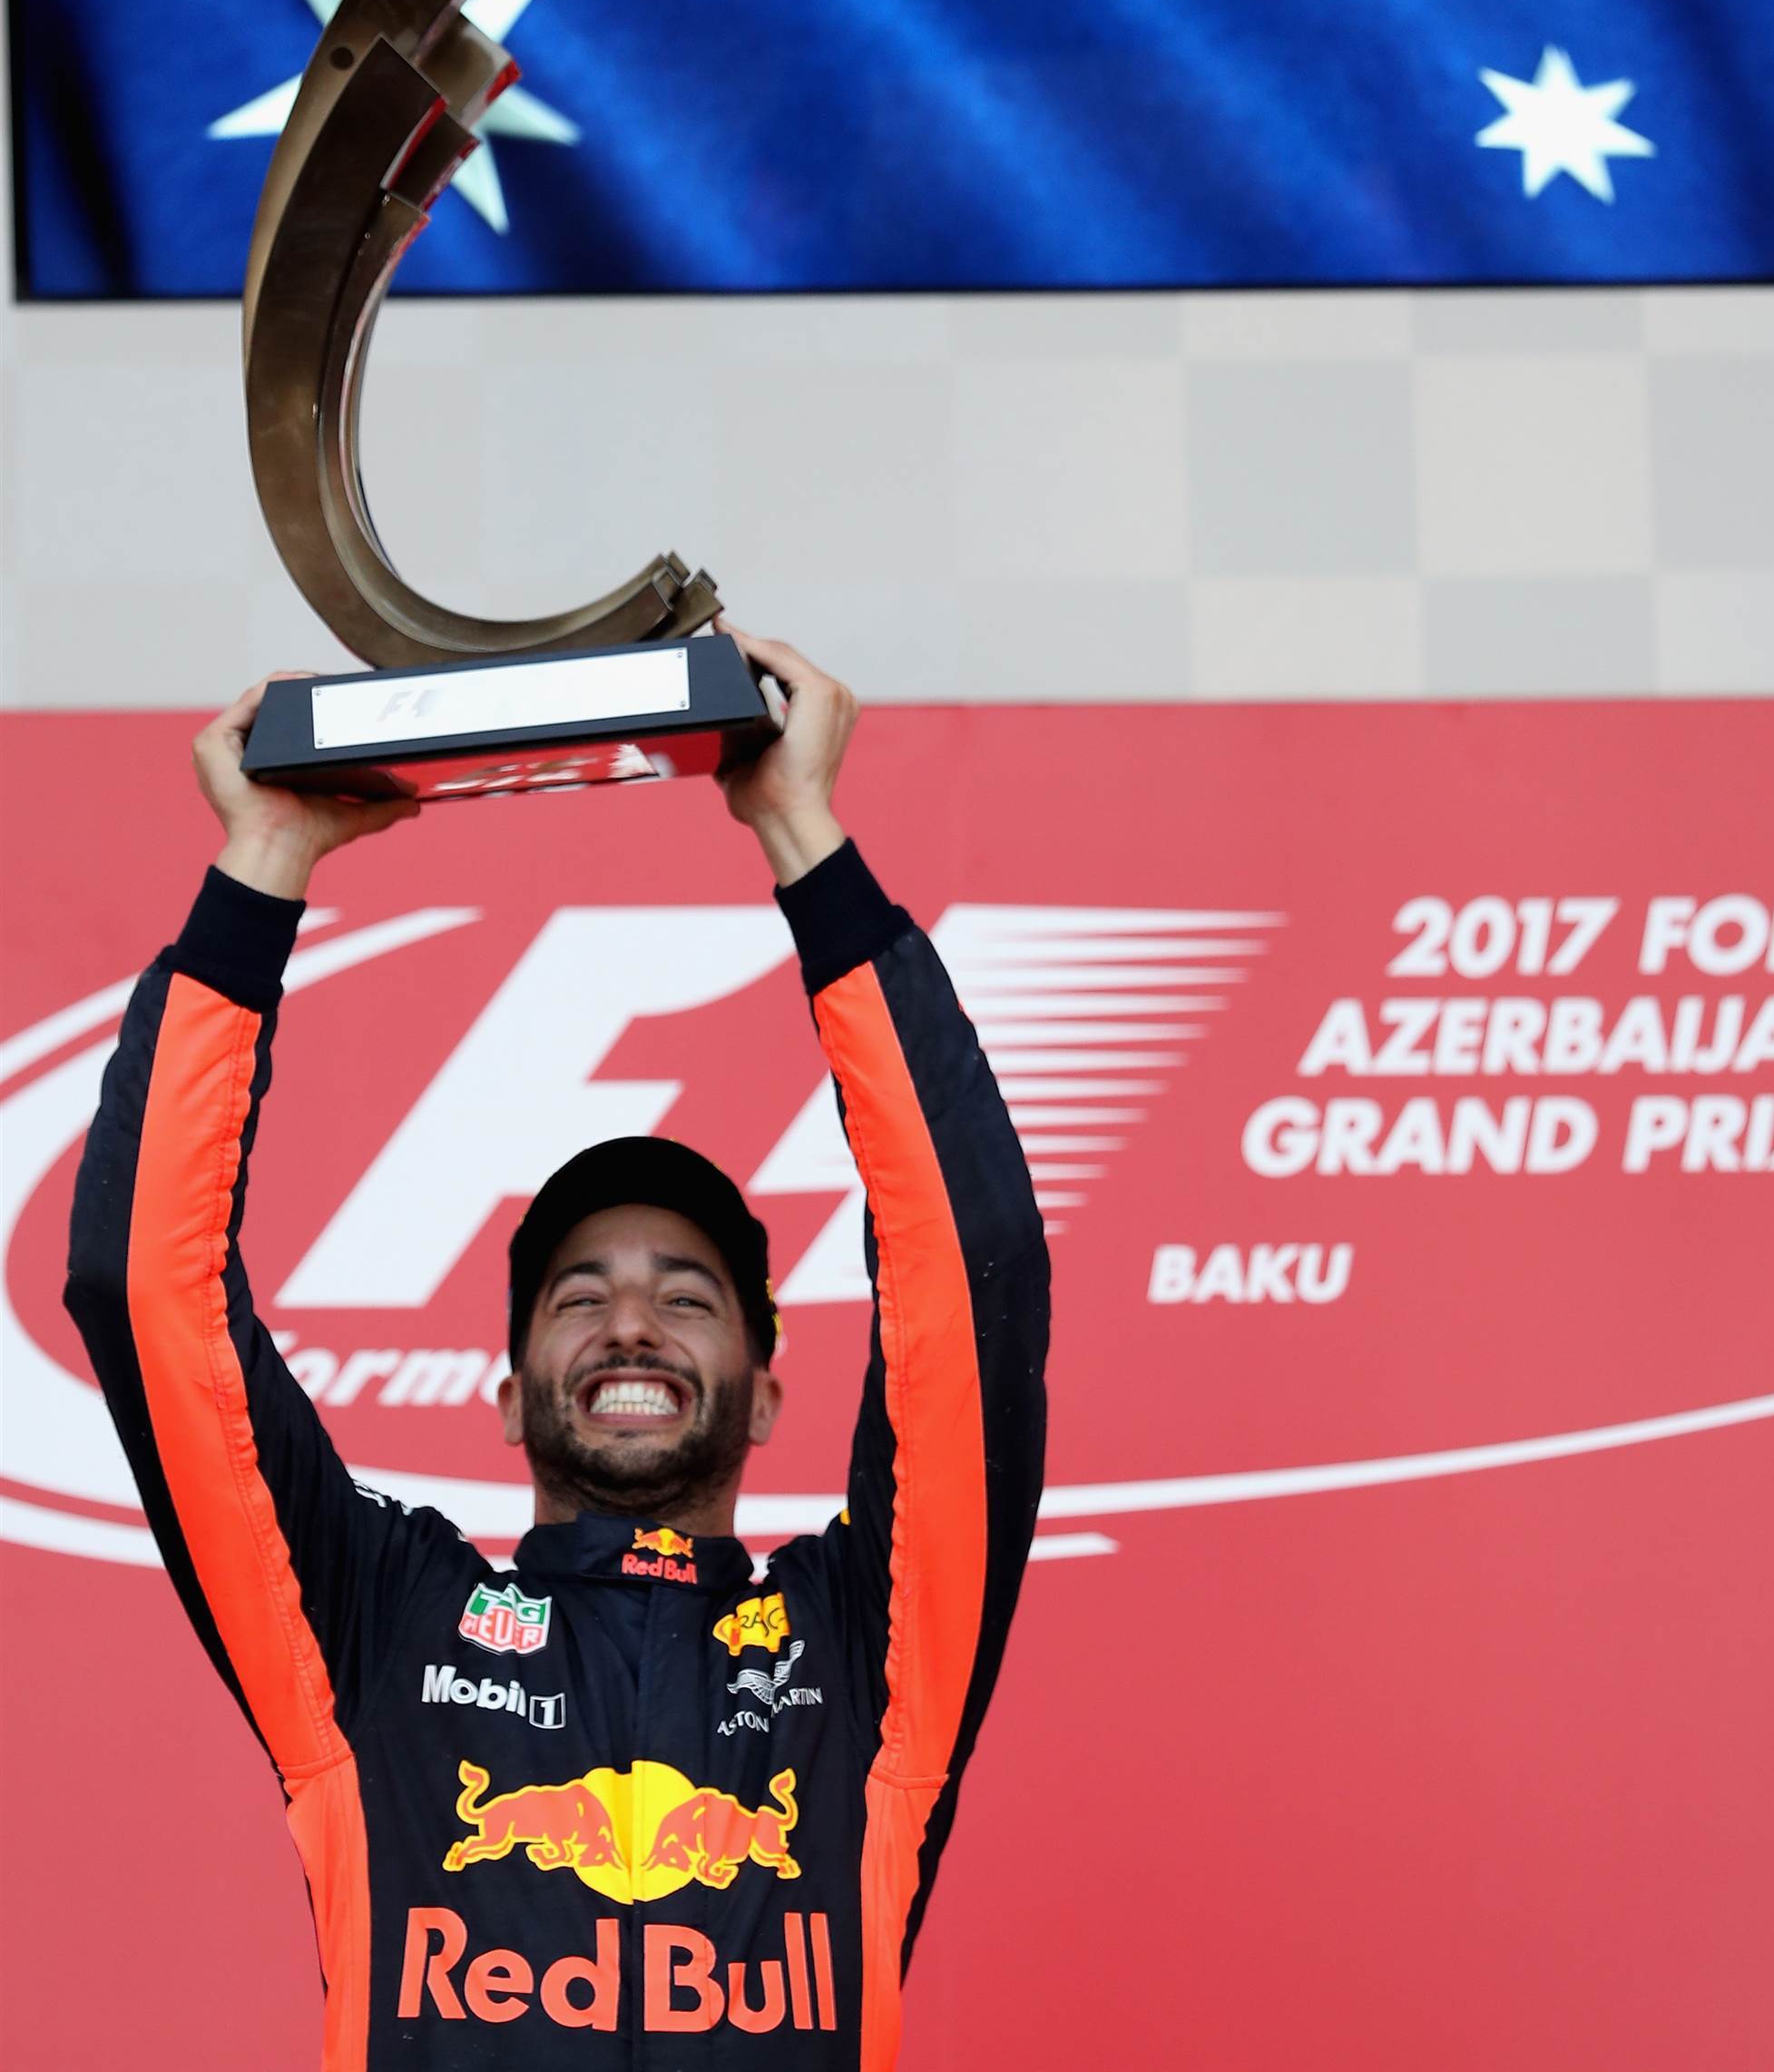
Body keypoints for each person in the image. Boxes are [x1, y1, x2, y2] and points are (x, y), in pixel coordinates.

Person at [66, 630, 1049, 2069]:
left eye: (689, 1298)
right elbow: (146, 1293)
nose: (632, 1322)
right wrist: (261, 867)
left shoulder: (868, 1651)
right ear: (511, 1395)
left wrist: (805, 837)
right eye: (579, 1296)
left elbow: (975, 1279)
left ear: (766, 1395)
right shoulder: (376, 1623)